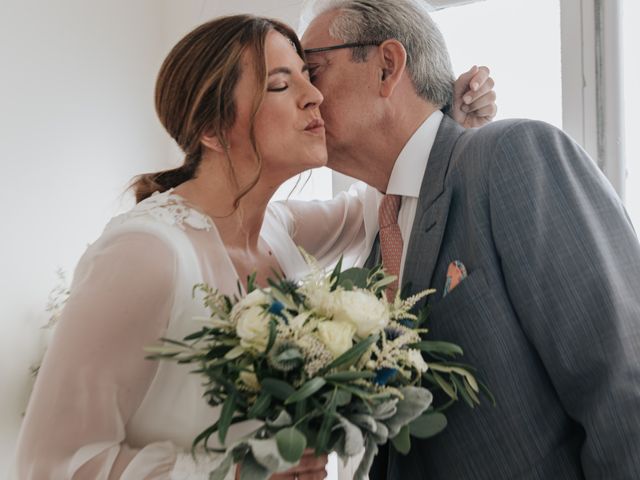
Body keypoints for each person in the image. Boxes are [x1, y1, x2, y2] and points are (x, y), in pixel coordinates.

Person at [14, 13, 496, 480]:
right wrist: (237, 473)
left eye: (309, 76)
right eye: (282, 85)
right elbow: (51, 465)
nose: (315, 98)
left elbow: (380, 196)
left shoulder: (278, 231)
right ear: (213, 129)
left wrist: (443, 120)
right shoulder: (144, 254)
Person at [281, 0, 640, 478]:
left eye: (313, 70)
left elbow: (621, 381)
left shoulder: (512, 156)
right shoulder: (375, 246)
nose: (303, 95)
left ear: (387, 66)